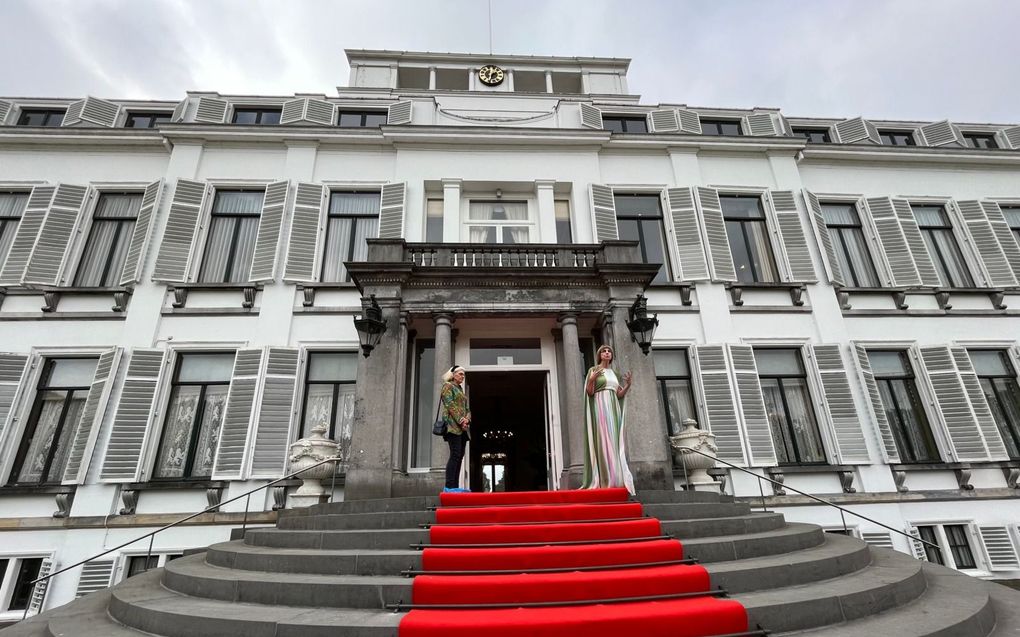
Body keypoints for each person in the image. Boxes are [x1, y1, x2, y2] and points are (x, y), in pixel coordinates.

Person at [582, 344, 635, 494]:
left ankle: (616, 478)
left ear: (611, 355)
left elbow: (619, 395)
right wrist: (591, 379)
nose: (606, 353)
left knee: (614, 441)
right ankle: (604, 479)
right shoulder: (593, 370)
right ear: (599, 355)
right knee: (603, 440)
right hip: (600, 407)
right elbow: (590, 392)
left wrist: (628, 385)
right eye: (604, 351)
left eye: (609, 351)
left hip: (613, 409)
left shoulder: (615, 374)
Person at [439, 365, 471, 493]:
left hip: (463, 428)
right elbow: (450, 404)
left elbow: (467, 409)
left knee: (460, 456)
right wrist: (461, 420)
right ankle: (449, 487)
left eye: (463, 374)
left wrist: (467, 419)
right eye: (460, 374)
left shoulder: (460, 390)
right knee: (455, 454)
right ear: (453, 375)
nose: (462, 376)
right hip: (452, 426)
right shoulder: (448, 386)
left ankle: (455, 487)